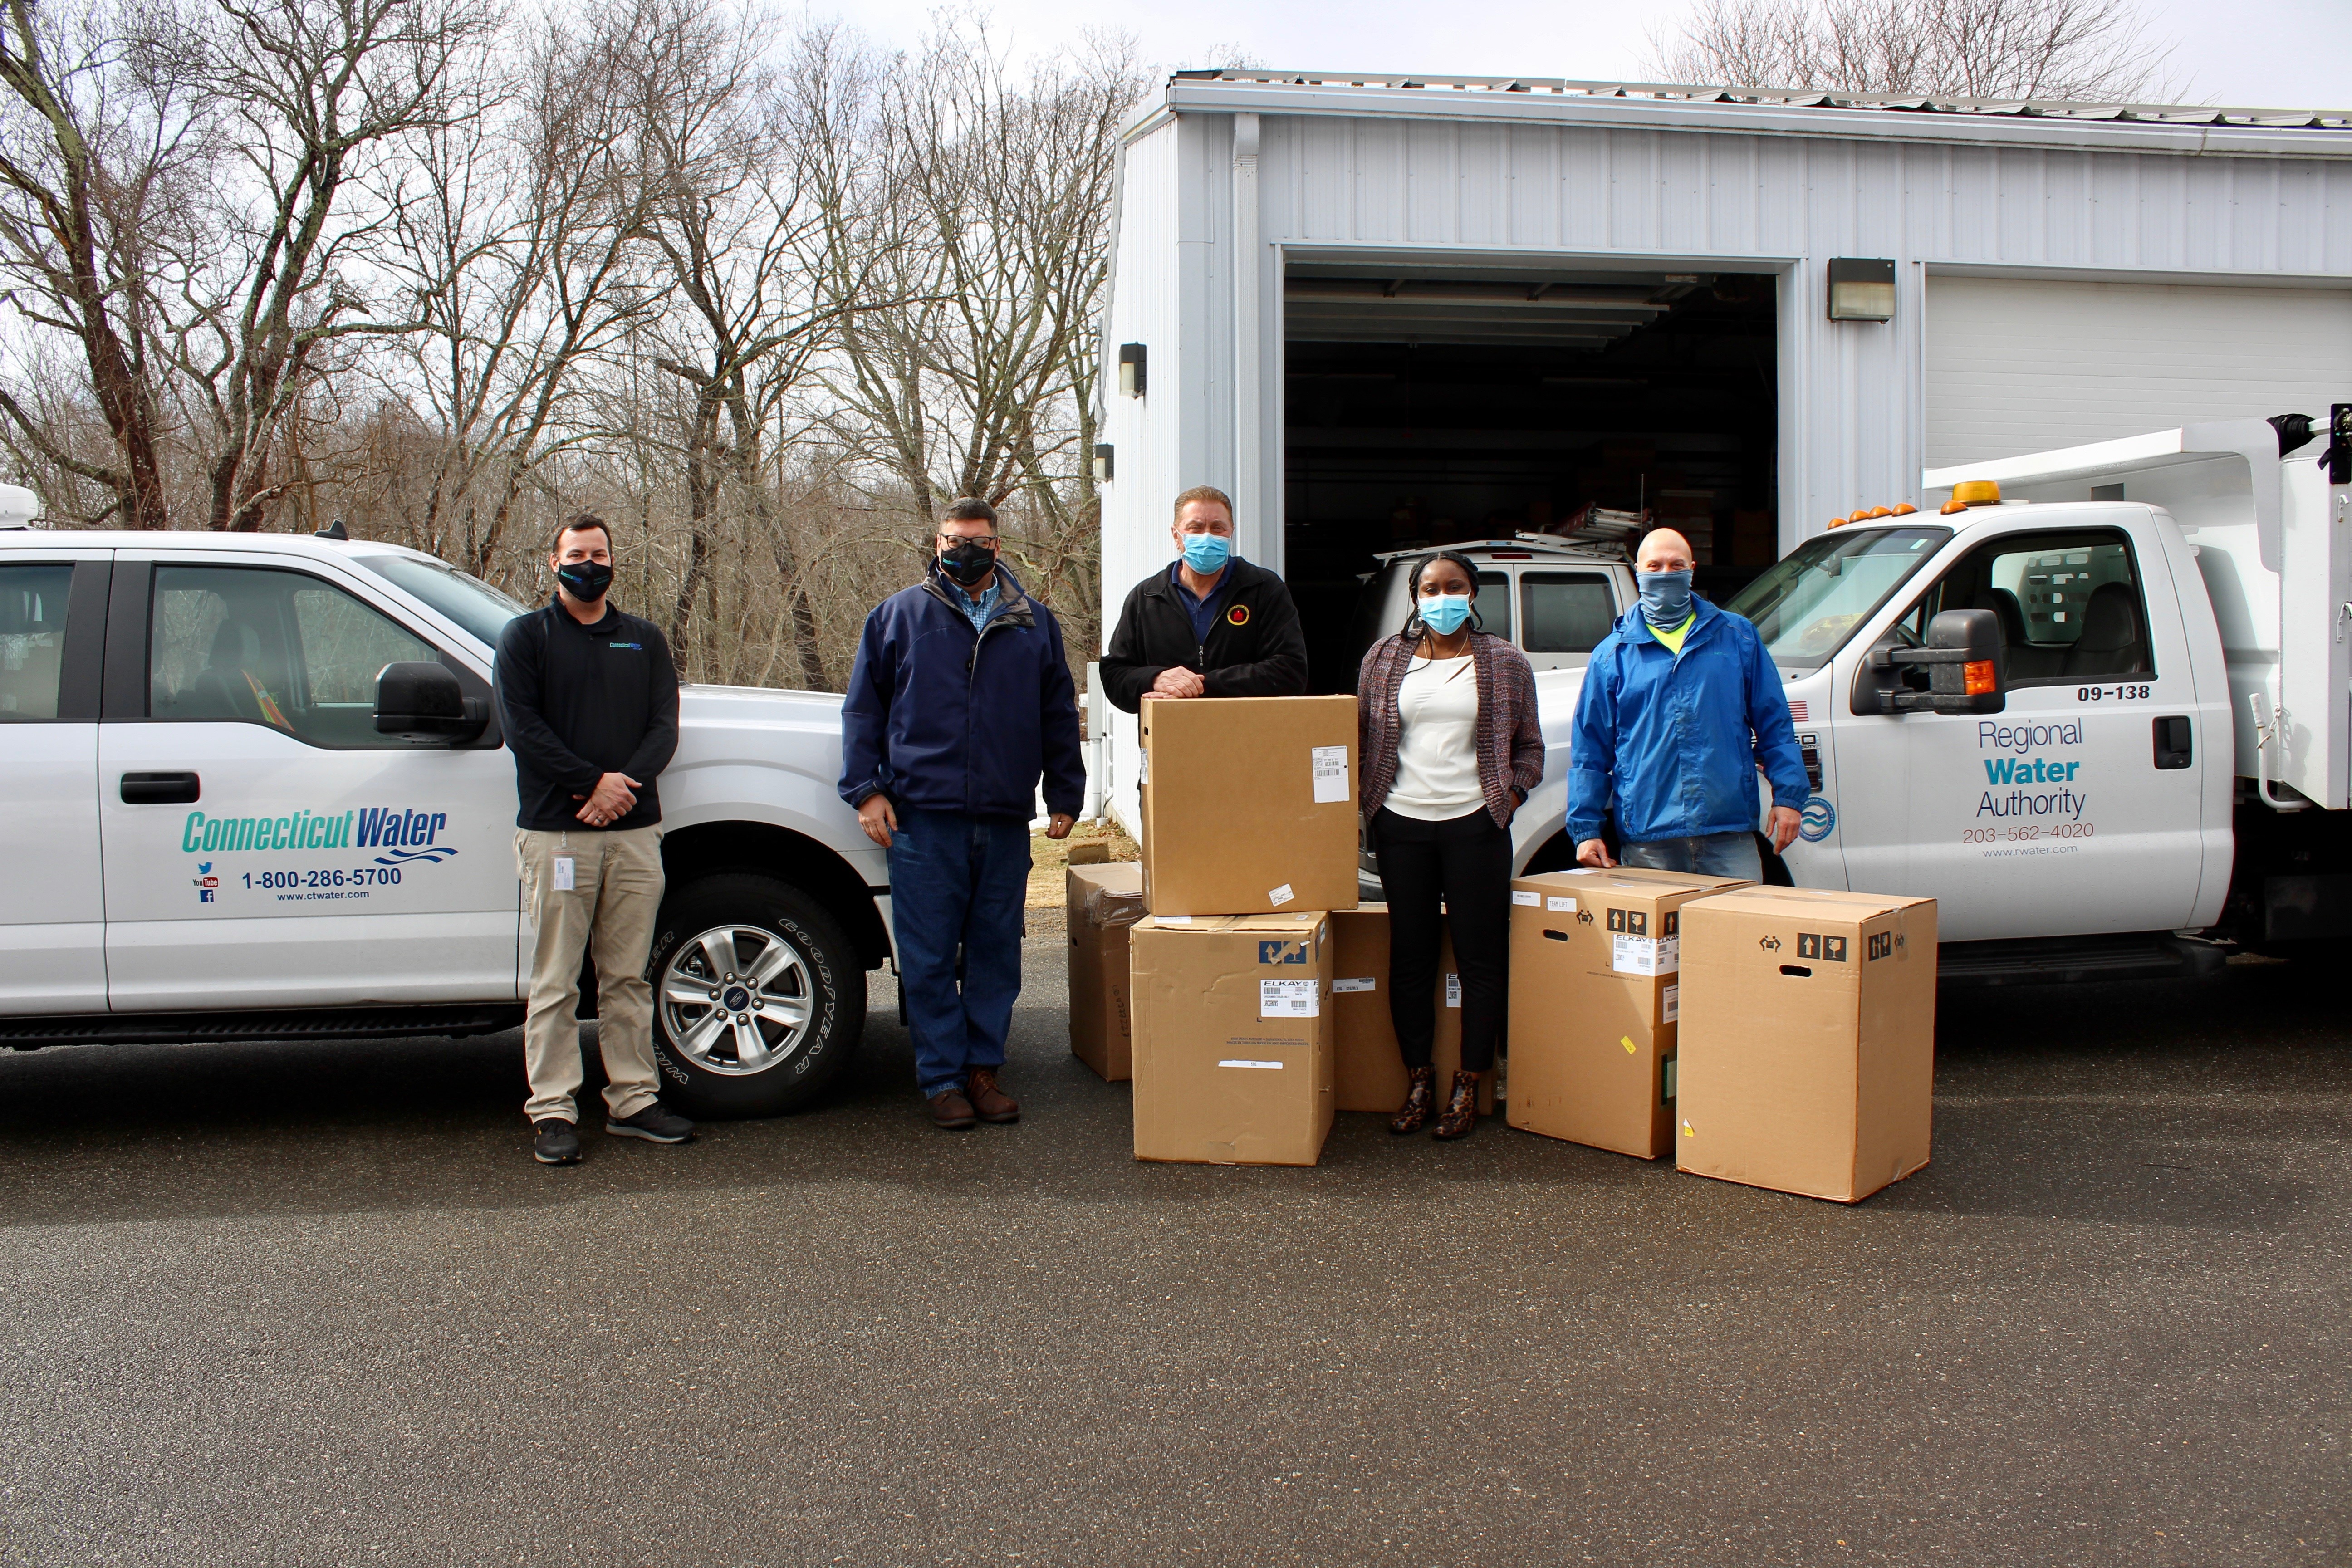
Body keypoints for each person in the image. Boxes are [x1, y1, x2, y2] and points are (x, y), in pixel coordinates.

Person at [839, 499, 1086, 1130]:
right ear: (937, 543)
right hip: (923, 819)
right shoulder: (897, 617)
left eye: (974, 541)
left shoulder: (1034, 624)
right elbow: (864, 710)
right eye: (952, 541)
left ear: (997, 548)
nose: (962, 551)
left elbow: (1057, 713)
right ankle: (942, 1080)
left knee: (995, 951)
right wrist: (867, 790)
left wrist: (1065, 794)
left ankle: (983, 1071)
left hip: (1004, 818)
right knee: (926, 956)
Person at [496, 513, 697, 1166]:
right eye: (577, 554)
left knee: (627, 977)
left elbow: (663, 728)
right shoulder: (526, 638)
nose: (591, 564)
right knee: (556, 979)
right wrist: (591, 785)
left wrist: (623, 787)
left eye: (600, 553)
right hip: (559, 834)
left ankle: (634, 1099)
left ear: (615, 561)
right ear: (553, 563)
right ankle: (553, 1108)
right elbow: (523, 728)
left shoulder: (642, 640)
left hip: (635, 835)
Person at [1357, 551, 1543, 1141]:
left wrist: (1510, 797)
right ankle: (1419, 1080)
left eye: (1454, 586)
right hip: (1401, 824)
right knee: (1410, 957)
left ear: (1473, 593)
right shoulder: (1384, 659)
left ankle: (1470, 1082)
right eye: (1431, 588)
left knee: (1480, 958)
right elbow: (1359, 739)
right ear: (1415, 597)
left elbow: (1530, 748)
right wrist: (1365, 806)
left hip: (1475, 824)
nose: (1442, 598)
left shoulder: (1506, 662)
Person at [1568, 527, 1808, 882]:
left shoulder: (1738, 636)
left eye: (1675, 565)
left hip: (1728, 833)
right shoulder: (1612, 655)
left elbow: (1775, 724)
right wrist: (1585, 830)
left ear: (1692, 569)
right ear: (1638, 571)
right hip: (1650, 839)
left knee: (1736, 935)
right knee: (1657, 940)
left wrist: (1788, 797)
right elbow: (1591, 749)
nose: (1666, 574)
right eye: (1655, 565)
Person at [1100, 485, 1310, 710]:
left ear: (1231, 533)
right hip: (1172, 740)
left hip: (1249, 739)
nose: (1207, 536)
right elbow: (1115, 676)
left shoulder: (1264, 589)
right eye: (1196, 528)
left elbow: (1290, 672)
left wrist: (1202, 687)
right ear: (1177, 536)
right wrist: (1155, 679)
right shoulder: (1147, 598)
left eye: (1218, 528)